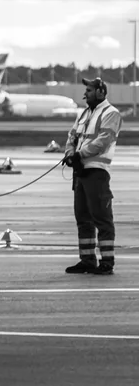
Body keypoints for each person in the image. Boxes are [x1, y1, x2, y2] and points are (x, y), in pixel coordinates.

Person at [62, 77, 122, 275]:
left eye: (89, 90)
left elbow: (104, 140)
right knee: (83, 218)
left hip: (97, 171)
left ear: (100, 92)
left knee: (102, 218)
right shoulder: (84, 114)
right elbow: (72, 137)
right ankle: (87, 260)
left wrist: (80, 154)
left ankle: (107, 262)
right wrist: (70, 154)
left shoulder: (111, 113)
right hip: (81, 172)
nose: (85, 94)